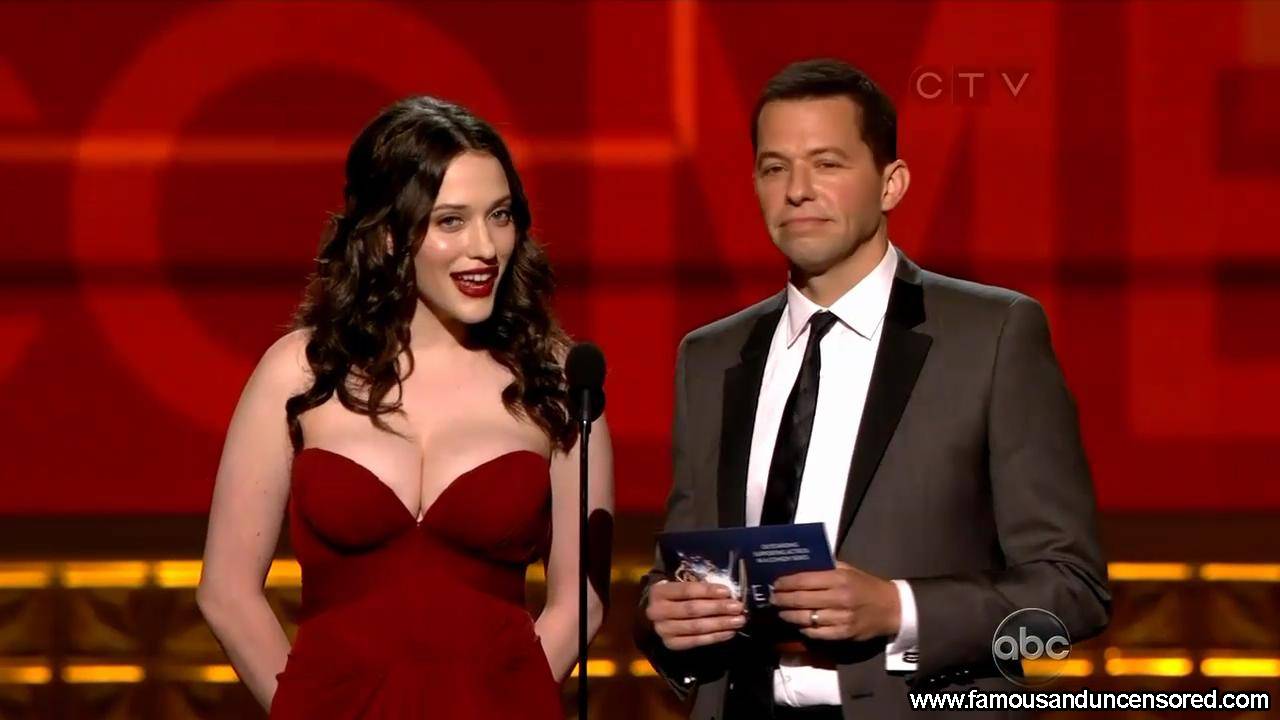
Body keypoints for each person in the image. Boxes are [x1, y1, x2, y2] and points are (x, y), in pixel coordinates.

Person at [636, 58, 1109, 719]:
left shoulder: (993, 336)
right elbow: (685, 567)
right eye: (775, 168)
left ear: (892, 184)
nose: (798, 190)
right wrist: (662, 615)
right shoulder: (711, 356)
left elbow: (1074, 592)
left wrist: (900, 610)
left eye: (827, 163)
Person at [196, 96, 613, 719]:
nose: (485, 246)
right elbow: (226, 593)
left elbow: (581, 602)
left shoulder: (556, 377)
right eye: (451, 221)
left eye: (499, 215)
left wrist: (505, 702)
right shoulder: (301, 370)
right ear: (390, 234)